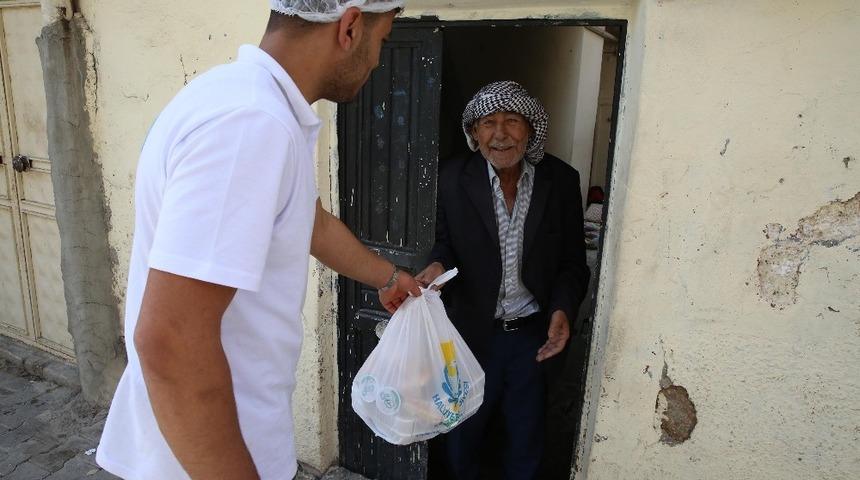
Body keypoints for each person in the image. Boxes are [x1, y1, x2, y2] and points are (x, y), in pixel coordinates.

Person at [96, 2, 418, 479]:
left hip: (207, 443)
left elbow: (310, 223)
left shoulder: (237, 98)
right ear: (350, 27)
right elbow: (171, 342)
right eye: (383, 40)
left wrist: (388, 276)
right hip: (207, 457)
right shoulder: (252, 124)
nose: (377, 60)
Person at [416, 81, 590, 480]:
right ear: (474, 134)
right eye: (489, 123)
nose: (500, 134)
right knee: (463, 437)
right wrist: (436, 269)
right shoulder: (451, 178)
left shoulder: (560, 180)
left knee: (526, 437)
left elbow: (572, 263)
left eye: (512, 121)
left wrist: (563, 310)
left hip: (532, 337)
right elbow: (445, 245)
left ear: (530, 129)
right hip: (471, 334)